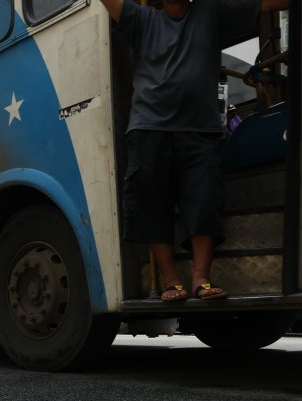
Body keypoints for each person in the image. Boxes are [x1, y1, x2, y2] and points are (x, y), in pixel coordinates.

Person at [99, 0, 289, 301]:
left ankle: (201, 277)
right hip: (149, 129)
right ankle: (171, 279)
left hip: (199, 129)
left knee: (205, 196)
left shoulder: (210, 12)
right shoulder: (142, 19)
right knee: (151, 203)